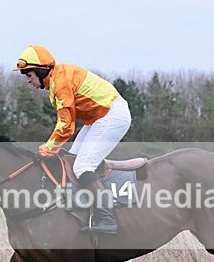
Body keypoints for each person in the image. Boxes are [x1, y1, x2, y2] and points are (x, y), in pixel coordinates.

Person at [15, 45, 131, 234]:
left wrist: (46, 150)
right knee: (71, 163)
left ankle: (107, 218)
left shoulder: (60, 84)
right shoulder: (55, 80)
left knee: (82, 167)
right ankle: (82, 211)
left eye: (29, 75)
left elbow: (65, 126)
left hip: (111, 116)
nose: (28, 81)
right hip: (97, 118)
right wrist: (49, 149)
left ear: (40, 71)